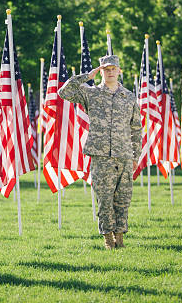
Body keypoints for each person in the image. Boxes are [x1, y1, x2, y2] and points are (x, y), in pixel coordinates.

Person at [58, 55, 141, 250]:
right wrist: (87, 76)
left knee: (123, 199)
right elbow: (64, 92)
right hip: (101, 156)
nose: (110, 72)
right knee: (104, 199)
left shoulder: (129, 96)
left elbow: (136, 128)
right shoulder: (91, 93)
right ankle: (107, 238)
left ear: (119, 71)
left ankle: (120, 237)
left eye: (113, 69)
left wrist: (135, 156)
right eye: (105, 69)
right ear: (100, 71)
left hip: (124, 155)